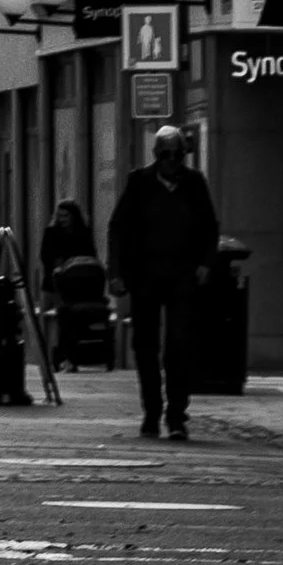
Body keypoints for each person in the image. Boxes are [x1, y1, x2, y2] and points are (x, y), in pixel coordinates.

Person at [107, 124, 221, 439]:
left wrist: (205, 264)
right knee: (145, 345)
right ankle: (152, 411)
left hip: (182, 275)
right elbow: (118, 227)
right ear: (156, 155)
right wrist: (115, 272)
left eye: (177, 155)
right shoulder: (139, 182)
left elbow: (210, 228)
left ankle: (176, 415)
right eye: (166, 155)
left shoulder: (194, 183)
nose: (172, 162)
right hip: (145, 275)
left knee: (179, 343)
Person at [38, 197, 95, 297]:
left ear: (74, 216)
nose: (62, 219)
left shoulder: (83, 232)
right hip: (54, 280)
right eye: (60, 216)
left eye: (66, 216)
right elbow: (45, 256)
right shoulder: (51, 232)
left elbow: (91, 254)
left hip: (78, 279)